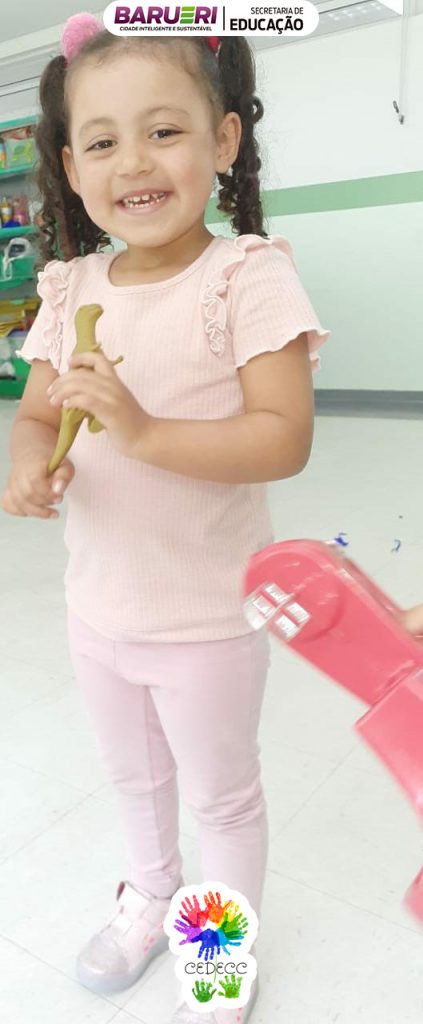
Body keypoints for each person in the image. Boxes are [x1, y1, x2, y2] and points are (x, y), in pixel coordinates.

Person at [0, 14, 329, 1022]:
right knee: (134, 781)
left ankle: (216, 950)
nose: (134, 162)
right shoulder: (70, 287)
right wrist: (26, 465)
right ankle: (149, 897)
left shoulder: (247, 276)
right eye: (102, 141)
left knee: (222, 798)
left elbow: (281, 437)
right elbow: (37, 412)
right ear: (71, 167)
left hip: (209, 621)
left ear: (223, 140)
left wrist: (140, 432)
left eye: (164, 131)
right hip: (98, 609)